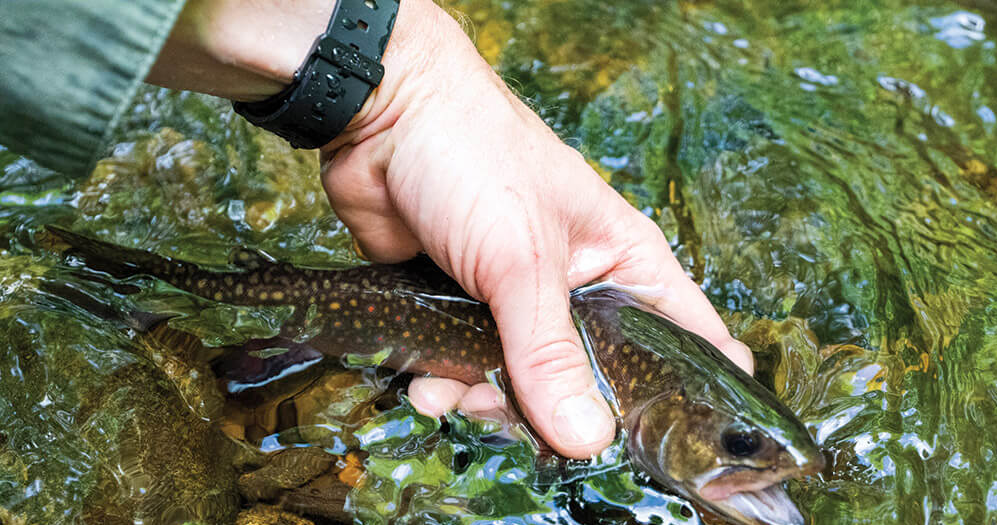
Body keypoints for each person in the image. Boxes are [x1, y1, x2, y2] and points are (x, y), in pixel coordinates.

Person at [0, 0, 753, 458]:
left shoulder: (648, 354)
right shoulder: (632, 365)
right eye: (735, 444)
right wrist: (403, 85)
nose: (737, 452)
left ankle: (84, 268)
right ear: (675, 415)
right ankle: (96, 275)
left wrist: (410, 84)